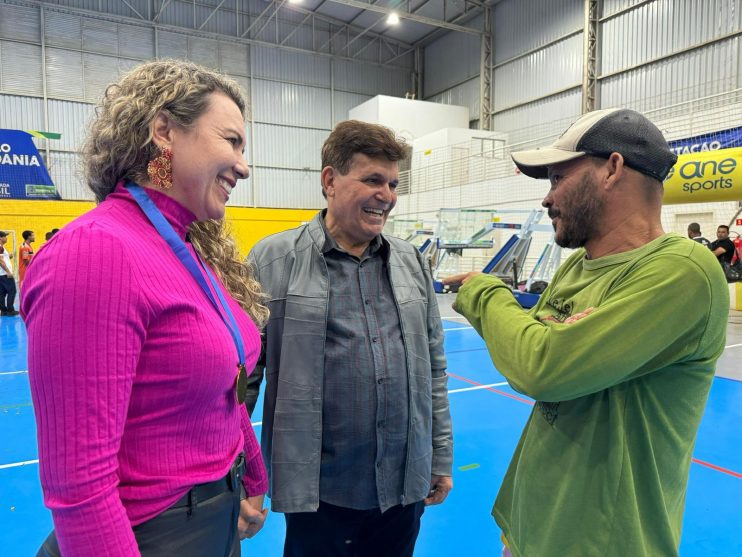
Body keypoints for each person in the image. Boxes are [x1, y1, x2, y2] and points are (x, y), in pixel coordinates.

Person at [444, 108, 728, 557]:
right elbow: (536, 342)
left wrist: (484, 291)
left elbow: (542, 364)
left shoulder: (684, 272)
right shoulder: (579, 263)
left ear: (613, 169)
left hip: (601, 541)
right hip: (530, 525)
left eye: (557, 179)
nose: (547, 198)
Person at [22, 59, 269, 557]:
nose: (244, 165)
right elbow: (80, 487)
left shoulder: (186, 248)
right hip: (149, 535)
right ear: (164, 132)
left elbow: (226, 380)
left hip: (214, 515)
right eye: (231, 141)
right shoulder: (96, 252)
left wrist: (249, 474)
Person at [245, 120, 453, 557]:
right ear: (330, 181)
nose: (388, 196)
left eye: (393, 184)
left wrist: (439, 457)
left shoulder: (411, 262)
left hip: (402, 489)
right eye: (373, 180)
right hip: (320, 493)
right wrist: (240, 476)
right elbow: (242, 381)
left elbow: (434, 368)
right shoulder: (273, 259)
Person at [0, 230, 19, 316]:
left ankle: (3, 311)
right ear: (1, 238)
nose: (6, 238)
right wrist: (8, 272)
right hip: (5, 273)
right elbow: (0, 261)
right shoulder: (0, 247)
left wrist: (8, 256)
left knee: (2, 292)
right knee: (12, 291)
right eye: (5, 236)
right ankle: (10, 310)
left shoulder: (2, 248)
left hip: (1, 274)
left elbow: (3, 259)